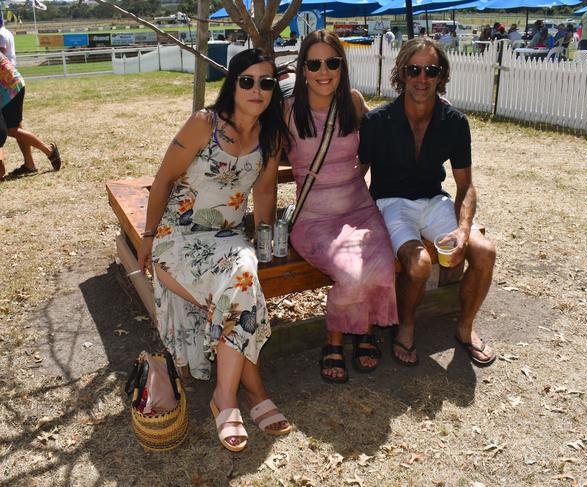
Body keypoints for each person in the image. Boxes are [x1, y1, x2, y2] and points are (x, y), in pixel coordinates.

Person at [137, 49, 291, 452]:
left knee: (243, 280)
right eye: (248, 80)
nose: (257, 89)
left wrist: (263, 239)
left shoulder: (271, 136)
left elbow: (264, 191)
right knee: (243, 288)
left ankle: (228, 397)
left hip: (227, 240)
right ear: (233, 83)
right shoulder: (204, 124)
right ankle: (247, 393)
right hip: (179, 238)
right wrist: (149, 237)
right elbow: (164, 180)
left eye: (266, 82)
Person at [359, 37, 497, 367]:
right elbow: (356, 176)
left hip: (435, 201)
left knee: (485, 252)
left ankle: (464, 329)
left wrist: (464, 230)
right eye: (414, 70)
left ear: (441, 75)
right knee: (418, 263)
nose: (422, 78)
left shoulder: (454, 122)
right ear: (402, 73)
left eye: (431, 70)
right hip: (391, 203)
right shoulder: (377, 122)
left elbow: (465, 186)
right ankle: (405, 328)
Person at [285, 30, 398, 382]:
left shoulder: (352, 101)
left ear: (342, 66)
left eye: (332, 62)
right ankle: (335, 337)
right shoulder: (286, 110)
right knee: (351, 273)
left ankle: (364, 331)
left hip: (359, 209)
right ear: (302, 69)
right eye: (314, 63)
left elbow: (375, 144)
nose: (323, 71)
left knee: (382, 266)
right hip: (314, 219)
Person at [0, 52, 60, 180]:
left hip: (9, 91)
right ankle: (30, 164)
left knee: (10, 130)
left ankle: (48, 150)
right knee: (16, 127)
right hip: (14, 86)